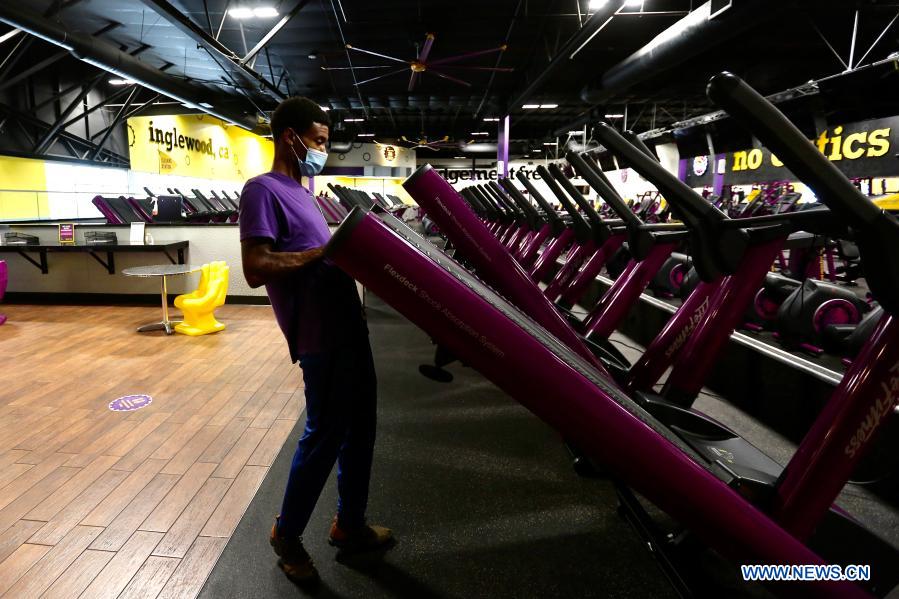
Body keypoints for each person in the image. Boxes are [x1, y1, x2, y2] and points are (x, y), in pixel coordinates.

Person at [239, 97, 393, 585]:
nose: (323, 150)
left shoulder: (303, 193)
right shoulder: (261, 190)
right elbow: (255, 267)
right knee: (324, 434)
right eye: (319, 141)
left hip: (349, 326)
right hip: (319, 336)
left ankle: (349, 524)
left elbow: (322, 255)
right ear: (291, 137)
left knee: (361, 429)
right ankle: (286, 535)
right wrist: (324, 252)